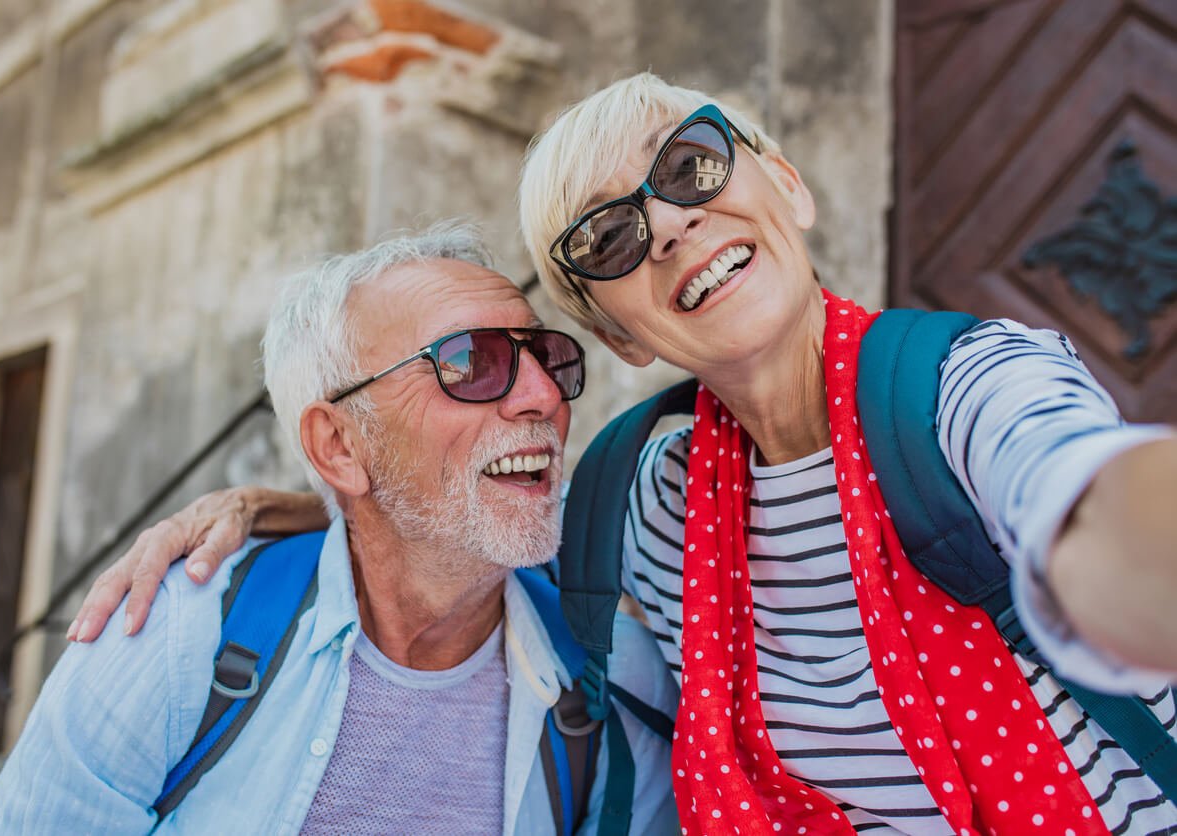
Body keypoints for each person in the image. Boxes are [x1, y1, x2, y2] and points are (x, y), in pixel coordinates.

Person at [71, 74, 1177, 834]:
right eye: (608, 237)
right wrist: (300, 504)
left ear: (781, 181)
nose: (671, 224)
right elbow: (461, 526)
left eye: (691, 166)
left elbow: (1073, 487)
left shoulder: (966, 390)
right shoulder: (650, 505)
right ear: (618, 330)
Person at [0, 225, 679, 834]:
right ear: (340, 446)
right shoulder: (175, 636)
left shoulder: (615, 677)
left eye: (547, 358)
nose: (544, 396)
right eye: (470, 362)